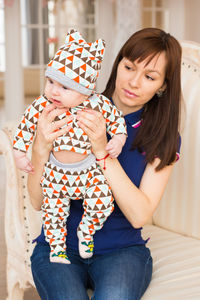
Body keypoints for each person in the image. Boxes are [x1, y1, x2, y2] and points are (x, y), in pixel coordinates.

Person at [29, 27, 182, 300]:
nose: (133, 82)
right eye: (128, 67)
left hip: (122, 251)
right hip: (59, 244)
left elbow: (139, 214)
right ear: (117, 64)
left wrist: (102, 151)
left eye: (149, 77)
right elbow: (38, 202)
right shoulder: (71, 108)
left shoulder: (164, 137)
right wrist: (40, 149)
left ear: (163, 86)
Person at [13, 29, 127, 264]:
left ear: (86, 91)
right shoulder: (44, 104)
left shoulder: (98, 103)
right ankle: (58, 249)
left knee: (103, 201)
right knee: (54, 213)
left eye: (65, 87)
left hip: (88, 170)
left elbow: (117, 121)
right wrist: (19, 151)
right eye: (51, 81)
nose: (54, 90)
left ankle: (86, 230)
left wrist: (117, 139)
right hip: (56, 172)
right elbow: (25, 126)